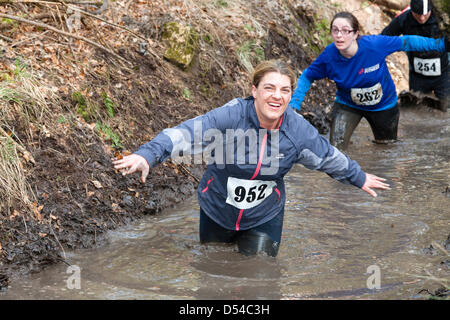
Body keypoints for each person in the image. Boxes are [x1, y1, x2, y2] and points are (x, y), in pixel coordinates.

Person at [113, 60, 390, 258]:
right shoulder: (231, 116)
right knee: (213, 273)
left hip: (264, 215)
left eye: (284, 90)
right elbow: (184, 134)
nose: (276, 96)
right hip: (217, 209)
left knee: (260, 281)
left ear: (290, 96)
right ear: (255, 90)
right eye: (269, 88)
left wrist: (359, 176)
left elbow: (328, 157)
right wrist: (147, 155)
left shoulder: (298, 131)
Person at [289, 11, 446, 150]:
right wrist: (294, 104)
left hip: (384, 106)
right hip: (348, 105)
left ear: (355, 33)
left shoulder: (375, 45)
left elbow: (407, 42)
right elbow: (307, 76)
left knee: (386, 149)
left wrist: (440, 45)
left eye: (345, 31)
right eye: (335, 31)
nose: (339, 35)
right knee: (336, 149)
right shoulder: (328, 56)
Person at [381, 0, 448, 112]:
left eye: (425, 14)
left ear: (431, 9)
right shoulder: (403, 19)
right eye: (417, 14)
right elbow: (384, 39)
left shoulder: (441, 19)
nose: (422, 18)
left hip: (443, 74)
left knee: (446, 108)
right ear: (411, 10)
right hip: (417, 76)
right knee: (416, 109)